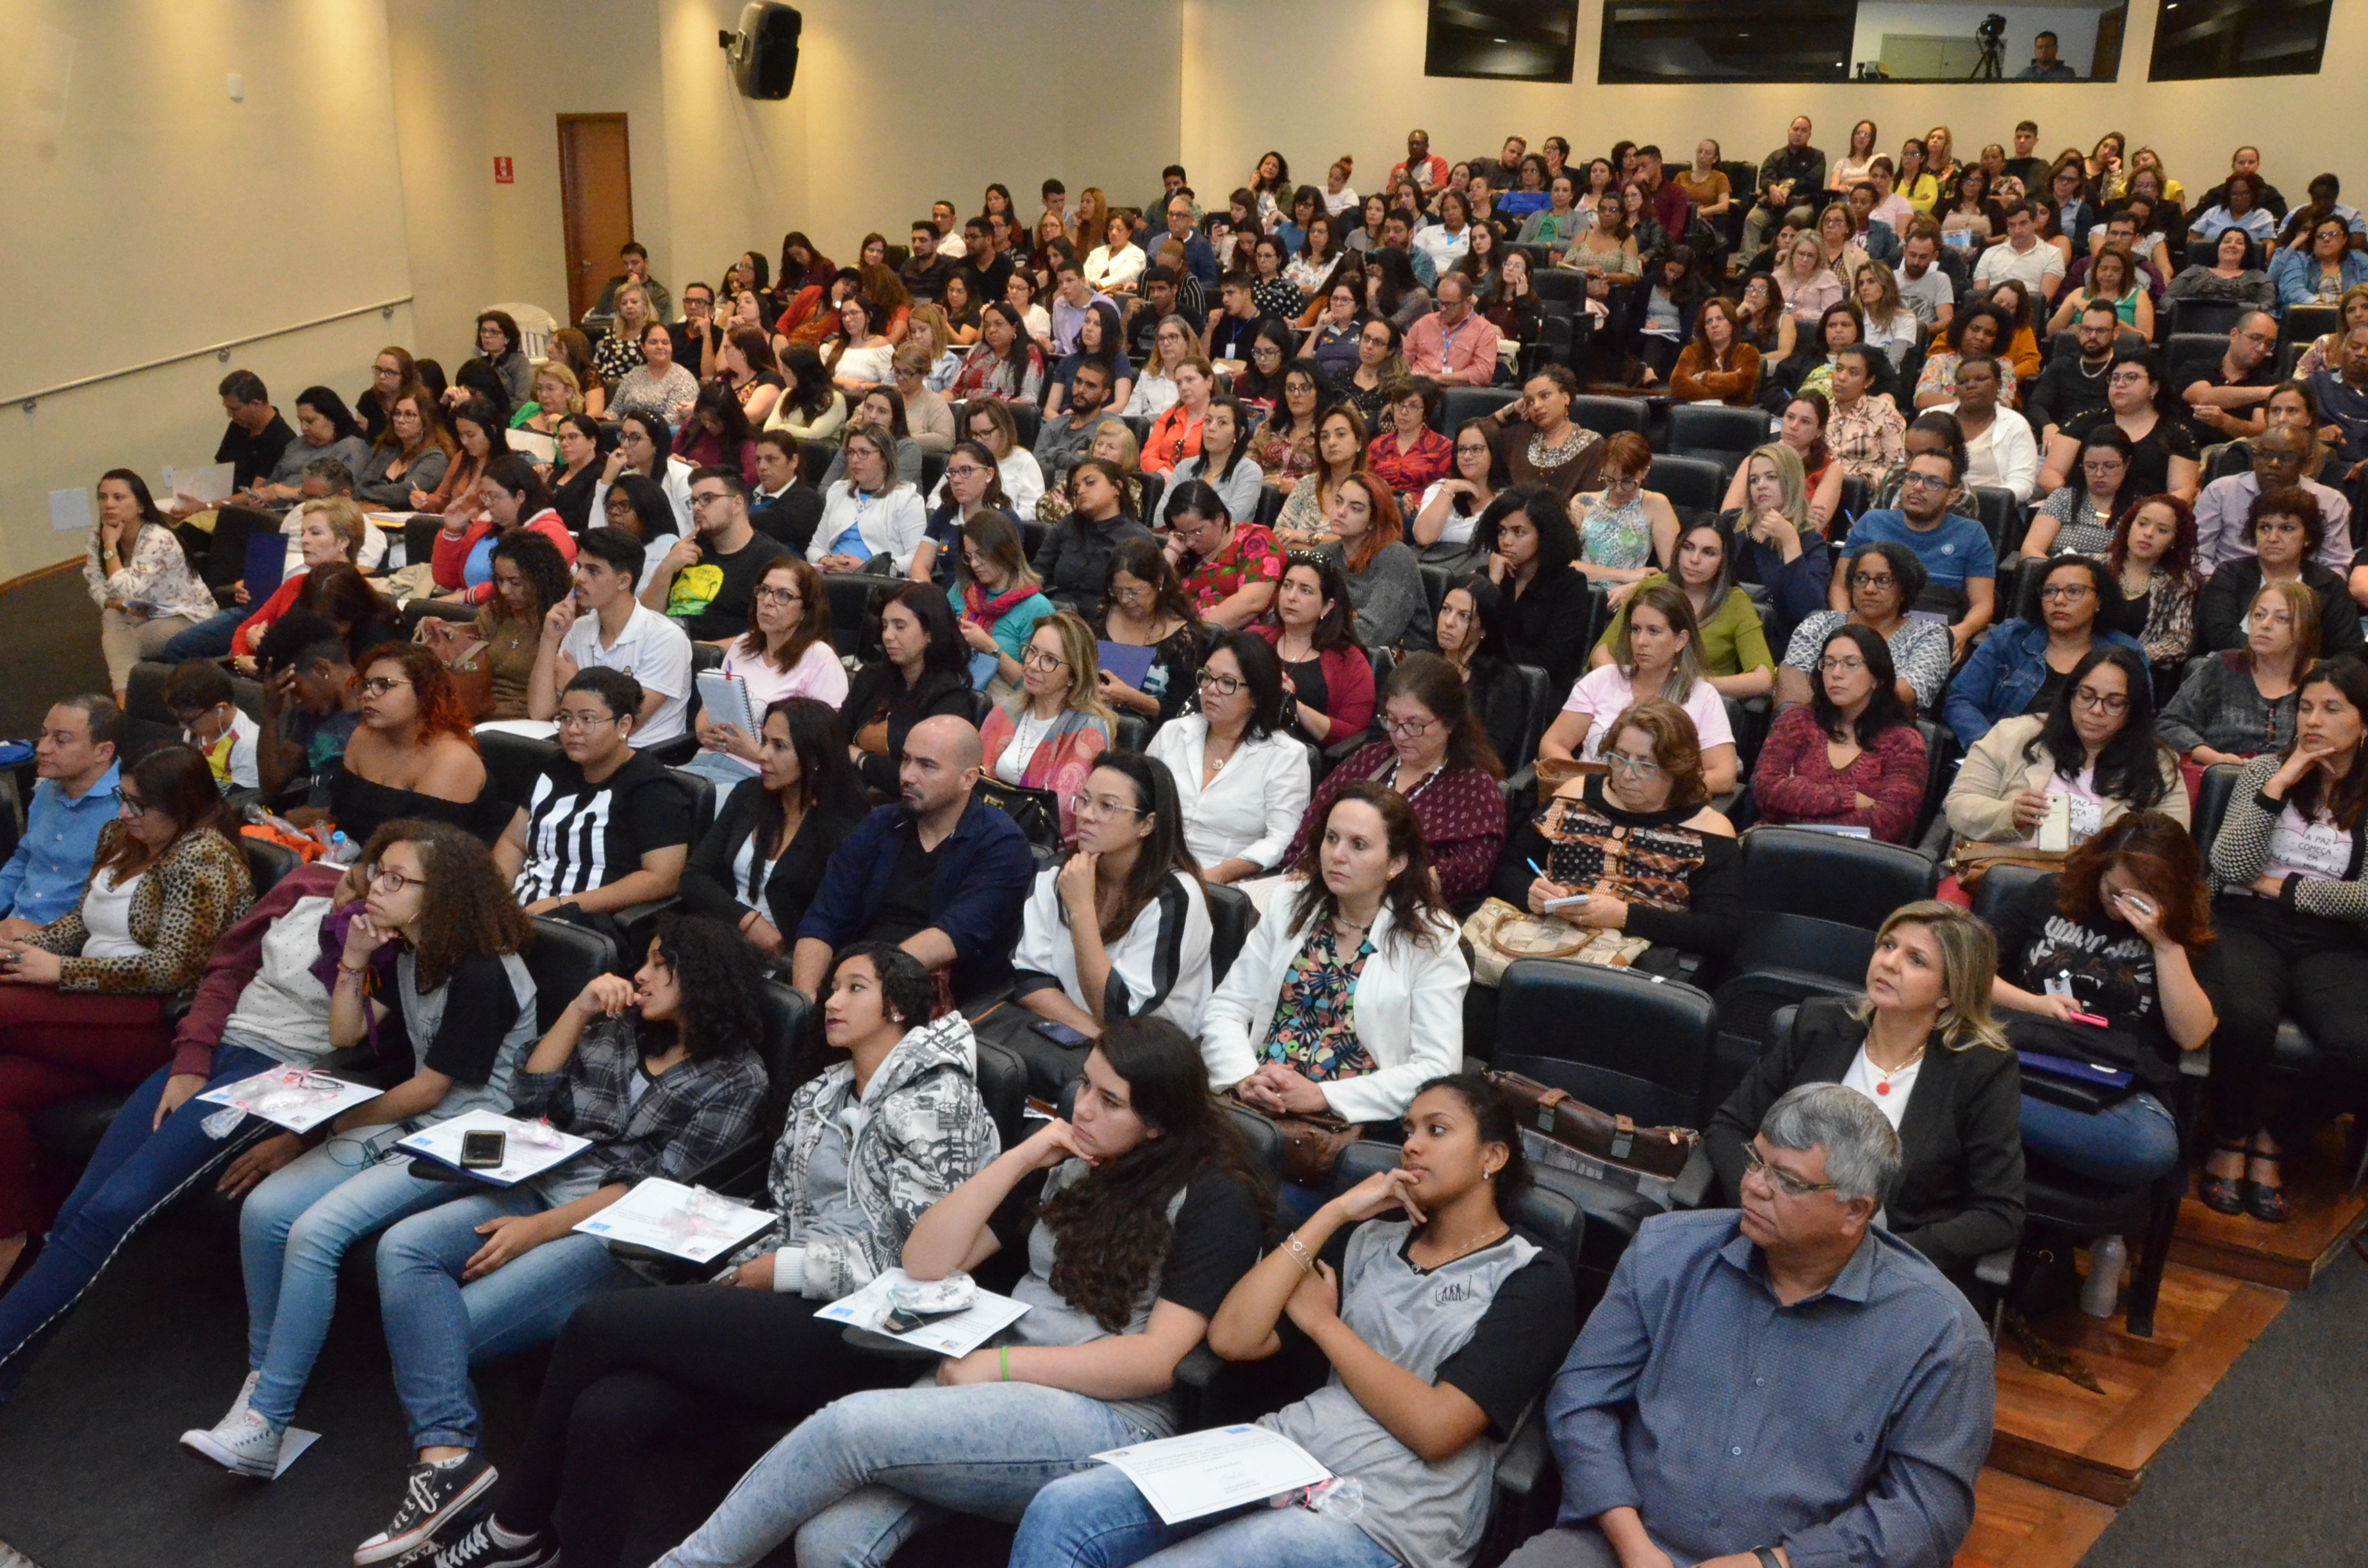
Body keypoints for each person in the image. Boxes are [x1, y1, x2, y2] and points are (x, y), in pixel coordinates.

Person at [640, 1014, 1263, 1568]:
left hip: (1106, 1415)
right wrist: (1018, 1161)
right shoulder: (1071, 1157)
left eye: (1110, 1101)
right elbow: (926, 1260)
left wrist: (999, 1366)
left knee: (847, 1429)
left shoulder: (1214, 1196)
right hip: (992, 1377)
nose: (1083, 1109)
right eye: (1086, 1086)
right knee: (829, 1542)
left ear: (1157, 1124)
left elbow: (1155, 1365)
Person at [1019, 1070, 1573, 1568]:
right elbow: (1233, 1338)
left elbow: (1436, 1429)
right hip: (1280, 1455)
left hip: (1390, 1516)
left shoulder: (1530, 1275)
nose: (1410, 1146)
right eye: (1408, 1130)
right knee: (1065, 1509)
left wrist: (1325, 1326)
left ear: (1493, 1158)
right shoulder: (1370, 1239)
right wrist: (1333, 1212)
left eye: (1437, 1130)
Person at [352, 917, 771, 1564]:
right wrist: (577, 1008)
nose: (642, 975)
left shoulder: (738, 1079)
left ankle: (452, 1479)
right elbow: (531, 1094)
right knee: (403, 1248)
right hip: (540, 1178)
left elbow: (653, 1190)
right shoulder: (621, 1027)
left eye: (662, 966)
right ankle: (450, 1460)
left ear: (705, 981)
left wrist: (535, 1233)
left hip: (619, 1233)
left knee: (447, 1329)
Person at [174, 821, 533, 1477]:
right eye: (378, 871)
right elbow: (349, 1036)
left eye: (397, 879)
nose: (375, 885)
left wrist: (325, 1129)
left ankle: (270, 1418)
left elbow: (427, 1091)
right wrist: (355, 963)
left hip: (482, 1139)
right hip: (418, 1122)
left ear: (442, 893)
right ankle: (261, 1392)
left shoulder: (483, 972)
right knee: (265, 1210)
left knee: (315, 1231)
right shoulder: (413, 953)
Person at [1515, 1081, 1991, 1568]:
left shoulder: (1940, 1335)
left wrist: (1776, 1564)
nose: (1754, 1186)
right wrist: (1632, 1544)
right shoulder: (1667, 1252)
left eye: (1787, 1180)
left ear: (1855, 1212)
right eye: (1757, 1161)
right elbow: (1581, 1400)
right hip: (1623, 1545)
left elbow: (1926, 1516)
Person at [0, 747, 252, 1284]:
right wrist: (27, 953)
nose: (122, 814)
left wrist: (60, 974)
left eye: (137, 805)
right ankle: (21, 1237)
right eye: (122, 798)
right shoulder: (124, 838)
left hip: (148, 1019)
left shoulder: (204, 858)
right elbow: (81, 924)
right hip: (82, 1010)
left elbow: (173, 970)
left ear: (181, 807)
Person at [1708, 897, 2025, 1284]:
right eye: (1888, 945)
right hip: (1773, 1240)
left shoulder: (1982, 1069)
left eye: (1916, 960)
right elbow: (1729, 1126)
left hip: (1886, 1268)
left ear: (1948, 994)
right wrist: (1762, 1204)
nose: (1889, 963)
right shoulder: (1818, 1025)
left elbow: (1999, 1212)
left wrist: (1887, 1256)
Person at [1987, 811, 2216, 1292]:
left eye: (2140, 898)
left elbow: (2193, 1036)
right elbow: (1968, 968)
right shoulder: (2050, 895)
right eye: (2115, 890)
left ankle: (1971, 1111)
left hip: (2116, 1086)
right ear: (2101, 868)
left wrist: (2163, 942)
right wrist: (2037, 1005)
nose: (2121, 906)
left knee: (2151, 1148)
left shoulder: (2183, 932)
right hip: (2026, 1053)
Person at [2198, 656, 2368, 1223]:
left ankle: (2276, 1139)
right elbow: (2227, 863)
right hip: (2248, 923)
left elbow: (2367, 900)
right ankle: (2229, 1135)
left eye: (2332, 709)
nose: (2312, 720)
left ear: (2364, 724)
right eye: (2306, 707)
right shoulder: (2259, 774)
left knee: (2358, 1045)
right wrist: (2280, 782)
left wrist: (2284, 887)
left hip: (2335, 942)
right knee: (2244, 1017)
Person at [1203, 780, 1466, 1134]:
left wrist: (1323, 1095)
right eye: (1331, 838)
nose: (1337, 855)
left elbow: (1437, 1068)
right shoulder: (1288, 904)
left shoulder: (1431, 938)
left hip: (1348, 1121)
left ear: (1397, 863)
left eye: (1358, 845)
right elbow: (1227, 1007)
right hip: (1255, 1101)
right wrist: (1243, 1077)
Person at [1003, 751, 1214, 1091]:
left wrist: (1082, 910)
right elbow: (1030, 980)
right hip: (1071, 1038)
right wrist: (1096, 1039)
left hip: (1152, 1064)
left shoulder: (1176, 898)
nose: (1086, 815)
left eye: (1107, 806)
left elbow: (1120, 1013)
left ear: (1147, 824)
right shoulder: (1058, 872)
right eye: (1084, 800)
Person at [1499, 699, 1742, 972]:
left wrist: (1625, 916)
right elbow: (1508, 868)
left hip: (1635, 962)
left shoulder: (1709, 830)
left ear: (1677, 770)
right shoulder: (1575, 795)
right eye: (1620, 758)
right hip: (1541, 941)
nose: (1627, 775)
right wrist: (1529, 892)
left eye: (1646, 765)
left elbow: (1722, 932)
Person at [1285, 654, 1506, 906]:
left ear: (1450, 723)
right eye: (1392, 720)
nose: (1400, 735)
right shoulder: (1369, 761)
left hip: (1409, 906)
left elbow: (1471, 869)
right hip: (1331, 892)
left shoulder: (1475, 788)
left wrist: (1382, 889)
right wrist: (1305, 868)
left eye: (1415, 725)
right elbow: (1317, 817)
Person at [1945, 645, 2187, 872]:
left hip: (2097, 890)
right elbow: (1958, 806)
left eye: (2113, 703)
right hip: (2002, 873)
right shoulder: (2013, 735)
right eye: (2086, 696)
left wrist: (2107, 852)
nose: (2096, 710)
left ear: (2134, 710)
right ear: (2070, 695)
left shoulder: (2159, 765)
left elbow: (2171, 848)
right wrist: (2010, 814)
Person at [678, 697, 870, 962]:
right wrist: (747, 920)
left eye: (779, 746)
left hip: (784, 963)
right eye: (765, 741)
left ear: (814, 758)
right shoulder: (749, 795)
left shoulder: (844, 829)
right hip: (722, 937)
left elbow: (835, 923)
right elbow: (694, 876)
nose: (762, 755)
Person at [495, 669, 693, 920]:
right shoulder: (556, 768)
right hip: (519, 910)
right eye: (566, 718)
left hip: (585, 922)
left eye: (587, 720)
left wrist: (566, 904)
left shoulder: (653, 789)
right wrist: (493, 897)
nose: (573, 730)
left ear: (624, 725)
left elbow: (662, 879)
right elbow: (514, 842)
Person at [1542, 581, 1739, 796]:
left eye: (1654, 631)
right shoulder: (1601, 680)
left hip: (1661, 811)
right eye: (1636, 630)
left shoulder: (1703, 697)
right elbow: (1553, 744)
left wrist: (1659, 792)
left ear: (1680, 641)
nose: (1641, 641)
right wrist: (1592, 787)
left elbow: (1724, 776)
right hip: (1594, 798)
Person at [1945, 557, 2145, 746]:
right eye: (2050, 591)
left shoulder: (2126, 653)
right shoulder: (2011, 636)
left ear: (2099, 600)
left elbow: (2137, 725)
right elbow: (1962, 700)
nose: (2058, 600)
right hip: (2002, 756)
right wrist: (1991, 747)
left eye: (2074, 591)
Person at [1754, 623, 1928, 842]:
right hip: (1779, 847)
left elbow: (1890, 823)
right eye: (1828, 664)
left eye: (1851, 664)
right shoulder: (1796, 720)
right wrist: (1848, 798)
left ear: (1877, 676)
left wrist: (1796, 805)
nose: (1836, 674)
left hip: (1856, 860)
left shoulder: (1904, 743)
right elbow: (1765, 792)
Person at [529, 528, 695, 750]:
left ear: (624, 582)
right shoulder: (578, 629)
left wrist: (573, 684)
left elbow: (624, 725)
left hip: (642, 756)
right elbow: (540, 711)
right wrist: (549, 639)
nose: (579, 578)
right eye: (579, 567)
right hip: (585, 749)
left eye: (593, 571)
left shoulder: (665, 638)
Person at [1836, 448, 1996, 657]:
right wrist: (1845, 627)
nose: (1918, 487)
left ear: (1953, 496)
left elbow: (1983, 604)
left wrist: (1961, 632)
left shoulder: (1972, 534)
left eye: (1933, 482)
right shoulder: (1871, 522)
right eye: (1913, 477)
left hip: (1934, 634)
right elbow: (1840, 587)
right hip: (1868, 630)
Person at [1592, 519, 1774, 700]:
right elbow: (1602, 651)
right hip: (1633, 696)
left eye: (1708, 553)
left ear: (1724, 561)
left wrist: (1693, 684)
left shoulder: (1736, 602)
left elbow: (1764, 679)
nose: (1694, 559)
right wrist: (1622, 690)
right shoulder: (1650, 588)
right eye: (1688, 547)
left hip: (1695, 703)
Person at [980, 613, 1117, 844]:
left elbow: (1063, 810)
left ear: (1074, 675)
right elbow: (973, 779)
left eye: (1050, 660)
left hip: (1041, 845)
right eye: (1032, 651)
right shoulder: (1005, 711)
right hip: (985, 832)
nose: (1033, 665)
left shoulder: (1089, 729)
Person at [83, 470, 218, 701]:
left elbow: (125, 589)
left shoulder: (159, 539)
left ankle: (124, 701)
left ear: (141, 507)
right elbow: (96, 584)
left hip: (185, 616)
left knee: (123, 642)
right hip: (144, 613)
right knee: (112, 617)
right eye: (102, 497)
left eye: (119, 497)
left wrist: (110, 546)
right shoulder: (98, 536)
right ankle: (127, 700)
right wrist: (115, 604)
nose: (108, 505)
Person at [1779, 540, 1950, 714]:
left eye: (1883, 580)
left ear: (1904, 590)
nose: (1869, 589)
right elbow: (1792, 687)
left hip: (1883, 731)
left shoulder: (1928, 635)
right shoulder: (1819, 625)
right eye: (1861, 578)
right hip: (1810, 725)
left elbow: (1907, 693)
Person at [0, 699, 123, 937]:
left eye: (61, 740)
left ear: (103, 752)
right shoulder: (47, 789)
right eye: (44, 735)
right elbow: (25, 858)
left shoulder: (131, 809)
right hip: (14, 929)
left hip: (67, 950)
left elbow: (122, 911)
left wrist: (44, 934)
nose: (42, 748)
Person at [2160, 581, 2311, 766]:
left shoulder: (2320, 679)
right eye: (2259, 615)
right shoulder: (2225, 665)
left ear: (2305, 630)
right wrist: (2216, 759)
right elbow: (2168, 725)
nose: (2265, 625)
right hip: (2222, 779)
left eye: (2282, 619)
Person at [2197, 489, 2363, 657]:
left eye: (2287, 528)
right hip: (2234, 670)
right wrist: (2274, 658)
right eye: (2265, 528)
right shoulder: (2230, 574)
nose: (2273, 538)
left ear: (2308, 537)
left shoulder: (2328, 584)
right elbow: (2218, 633)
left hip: (2306, 678)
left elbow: (2349, 649)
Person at [636, 467, 791, 646]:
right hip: (664, 651)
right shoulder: (685, 550)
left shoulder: (774, 561)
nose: (696, 507)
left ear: (738, 504)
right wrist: (666, 569)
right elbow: (644, 622)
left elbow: (775, 636)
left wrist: (699, 651)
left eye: (707, 499)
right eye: (693, 501)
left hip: (722, 663)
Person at [2194, 423, 2355, 576]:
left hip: (2300, 593)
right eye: (2266, 455)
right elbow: (2196, 553)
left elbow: (2336, 565)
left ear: (2305, 464)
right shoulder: (2220, 491)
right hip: (2227, 587)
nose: (2274, 463)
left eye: (2286, 457)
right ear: (2255, 457)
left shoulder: (2331, 501)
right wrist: (2218, 586)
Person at [1476, 487, 1593, 694]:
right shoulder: (1489, 574)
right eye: (1502, 530)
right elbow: (1463, 638)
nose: (1506, 541)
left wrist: (1488, 652)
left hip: (1536, 693)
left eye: (1518, 532)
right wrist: (1492, 585)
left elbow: (1552, 660)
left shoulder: (1569, 585)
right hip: (1483, 683)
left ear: (1545, 535)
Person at [1255, 551, 1375, 747]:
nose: (1291, 597)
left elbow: (1352, 737)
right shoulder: (1256, 638)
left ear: (1327, 607)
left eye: (1305, 590)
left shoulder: (1350, 661)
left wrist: (1292, 705)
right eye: (1287, 586)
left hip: (1307, 760)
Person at [1327, 471, 1427, 649]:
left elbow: (1373, 634)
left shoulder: (1396, 558)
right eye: (1338, 502)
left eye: (1356, 508)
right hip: (1335, 648)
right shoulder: (1325, 554)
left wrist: (1311, 630)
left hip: (1398, 665)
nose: (1341, 512)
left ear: (1374, 520)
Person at [1483, 366, 1605, 503]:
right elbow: (1478, 432)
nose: (1536, 406)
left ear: (1565, 398)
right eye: (1529, 402)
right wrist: (1511, 409)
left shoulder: (1592, 443)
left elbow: (1592, 503)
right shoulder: (1520, 435)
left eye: (1545, 396)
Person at [1932, 355, 2039, 503]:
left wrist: (1984, 499)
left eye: (1981, 379)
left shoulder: (2016, 424)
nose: (1970, 385)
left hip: (1989, 509)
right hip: (1932, 501)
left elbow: (2022, 483)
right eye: (1963, 382)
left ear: (1999, 385)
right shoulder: (1933, 417)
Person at [2023, 424, 2141, 559]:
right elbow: (2030, 550)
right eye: (2091, 466)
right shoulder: (2063, 498)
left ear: (2127, 464)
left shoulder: (2139, 508)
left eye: (2110, 466)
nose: (2099, 474)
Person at [1742, 116, 1827, 256]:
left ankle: (1783, 261)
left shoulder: (1817, 157)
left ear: (1809, 135)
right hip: (1773, 203)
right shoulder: (1776, 156)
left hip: (1802, 203)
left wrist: (1789, 188)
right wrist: (1773, 189)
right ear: (1789, 131)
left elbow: (1813, 180)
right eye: (1796, 129)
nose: (1799, 133)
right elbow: (1765, 177)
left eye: (1804, 130)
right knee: (1753, 219)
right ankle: (1747, 264)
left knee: (1792, 219)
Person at [1670, 296, 1761, 408]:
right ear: (1704, 328)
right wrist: (1724, 392)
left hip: (1734, 416)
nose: (1714, 325)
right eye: (1709, 321)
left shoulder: (1747, 352)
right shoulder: (1692, 351)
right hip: (1694, 413)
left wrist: (1703, 377)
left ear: (1732, 324)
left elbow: (1741, 383)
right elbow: (1678, 384)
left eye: (1720, 318)